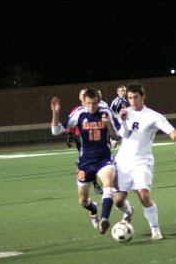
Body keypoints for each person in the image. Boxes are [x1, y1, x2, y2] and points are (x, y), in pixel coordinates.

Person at [113, 83, 176, 240]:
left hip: (142, 162)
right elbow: (123, 135)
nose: (133, 101)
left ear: (143, 97)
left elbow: (173, 132)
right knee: (118, 201)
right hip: (123, 162)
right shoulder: (125, 113)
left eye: (136, 97)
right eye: (130, 98)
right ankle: (129, 211)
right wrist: (123, 120)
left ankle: (155, 230)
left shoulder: (154, 116)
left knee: (144, 195)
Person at [51, 88, 125, 235]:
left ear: (99, 101)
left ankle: (105, 219)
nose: (92, 107)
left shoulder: (106, 112)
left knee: (108, 185)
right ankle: (94, 209)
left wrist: (108, 124)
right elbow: (55, 130)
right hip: (85, 162)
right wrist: (56, 113)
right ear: (84, 101)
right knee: (83, 200)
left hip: (104, 158)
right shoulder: (79, 113)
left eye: (95, 103)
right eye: (89, 103)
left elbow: (117, 137)